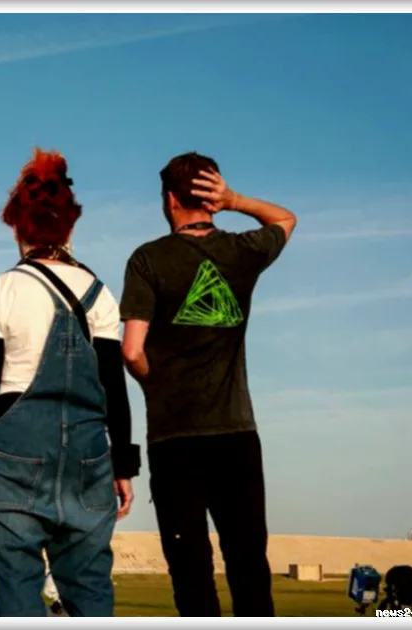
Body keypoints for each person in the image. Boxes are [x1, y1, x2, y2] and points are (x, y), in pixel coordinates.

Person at [0, 148, 141, 617]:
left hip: (13, 454)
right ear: (71, 225)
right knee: (91, 586)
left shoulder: (1, 291)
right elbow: (115, 386)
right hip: (89, 454)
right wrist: (124, 464)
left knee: (17, 584)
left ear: (17, 225)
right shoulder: (101, 296)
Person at [119, 153, 297, 618]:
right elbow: (285, 218)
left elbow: (132, 351)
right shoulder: (242, 251)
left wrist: (156, 387)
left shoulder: (148, 259)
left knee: (191, 571)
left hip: (175, 439)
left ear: (169, 199)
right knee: (248, 566)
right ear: (209, 199)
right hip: (235, 434)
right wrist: (234, 200)